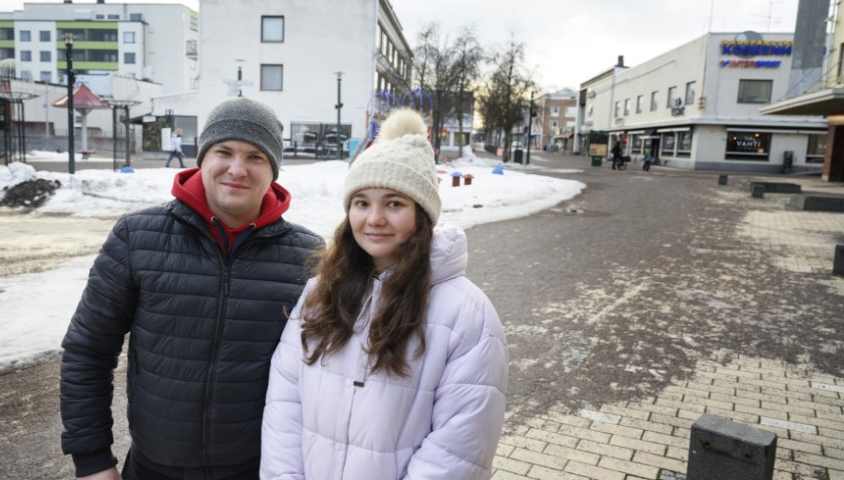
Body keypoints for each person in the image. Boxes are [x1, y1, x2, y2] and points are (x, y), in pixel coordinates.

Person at [61, 97, 323, 480]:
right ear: (202, 158)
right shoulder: (137, 237)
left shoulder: (309, 256)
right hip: (155, 468)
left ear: (273, 172)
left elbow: (329, 373)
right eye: (225, 151)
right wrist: (93, 459)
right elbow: (88, 350)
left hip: (259, 468)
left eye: (255, 157)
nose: (237, 169)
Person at [260, 109, 509, 480]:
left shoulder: (465, 314)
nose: (374, 218)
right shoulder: (319, 293)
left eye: (394, 203)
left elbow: (458, 447)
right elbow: (284, 405)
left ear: (421, 215)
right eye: (362, 202)